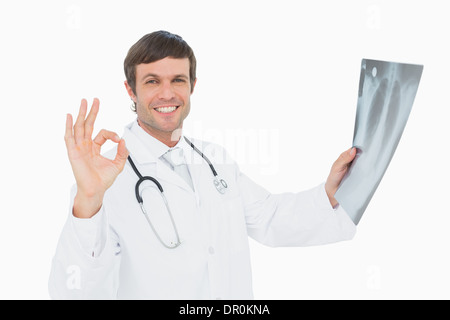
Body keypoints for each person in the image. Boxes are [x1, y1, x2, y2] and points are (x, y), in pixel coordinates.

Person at [49, 30, 357, 299]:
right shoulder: (101, 184)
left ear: (192, 86)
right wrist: (88, 199)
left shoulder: (214, 160)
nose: (167, 93)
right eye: (152, 81)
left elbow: (270, 218)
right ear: (131, 90)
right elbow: (73, 293)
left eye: (177, 80)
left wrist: (329, 191)